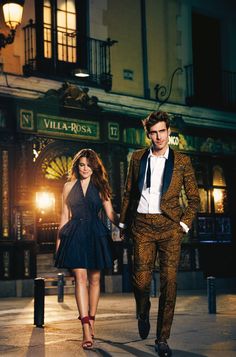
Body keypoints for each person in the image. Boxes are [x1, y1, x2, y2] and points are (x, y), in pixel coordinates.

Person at [119, 111, 200, 357]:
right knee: (141, 282)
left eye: (162, 131)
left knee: (169, 284)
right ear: (148, 135)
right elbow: (129, 193)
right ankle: (143, 311)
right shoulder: (137, 158)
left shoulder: (182, 161)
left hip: (170, 228)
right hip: (142, 225)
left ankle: (162, 338)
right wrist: (123, 225)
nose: (158, 137)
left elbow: (194, 199)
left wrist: (183, 226)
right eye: (153, 133)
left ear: (169, 132)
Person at [55, 148, 119, 350]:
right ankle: (85, 329)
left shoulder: (101, 186)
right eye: (82, 164)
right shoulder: (67, 186)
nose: (85, 168)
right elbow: (64, 216)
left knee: (95, 279)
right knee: (80, 279)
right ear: (77, 165)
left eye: (89, 165)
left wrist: (125, 223)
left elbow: (111, 214)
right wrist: (59, 244)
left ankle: (92, 321)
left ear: (94, 167)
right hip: (74, 234)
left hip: (96, 233)